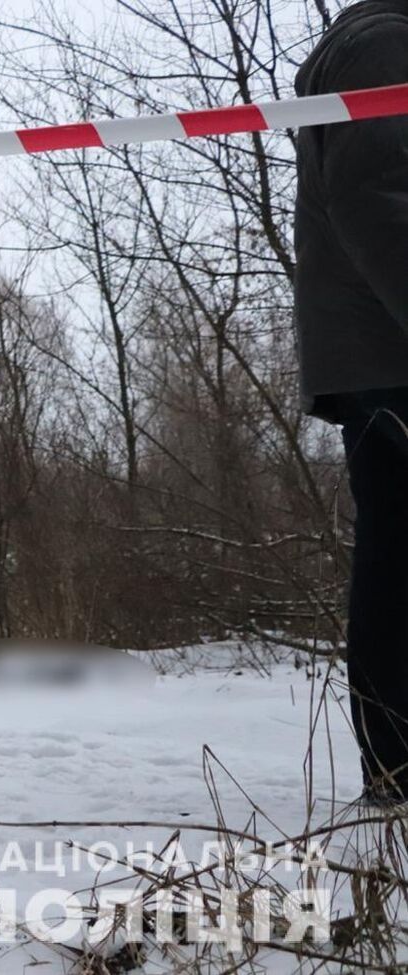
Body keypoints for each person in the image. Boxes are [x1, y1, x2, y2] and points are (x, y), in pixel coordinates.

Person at [295, 2, 408, 804]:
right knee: (397, 556)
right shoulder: (385, 44)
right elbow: (378, 197)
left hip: (376, 349)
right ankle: (399, 767)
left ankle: (397, 768)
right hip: (390, 350)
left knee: (397, 549)